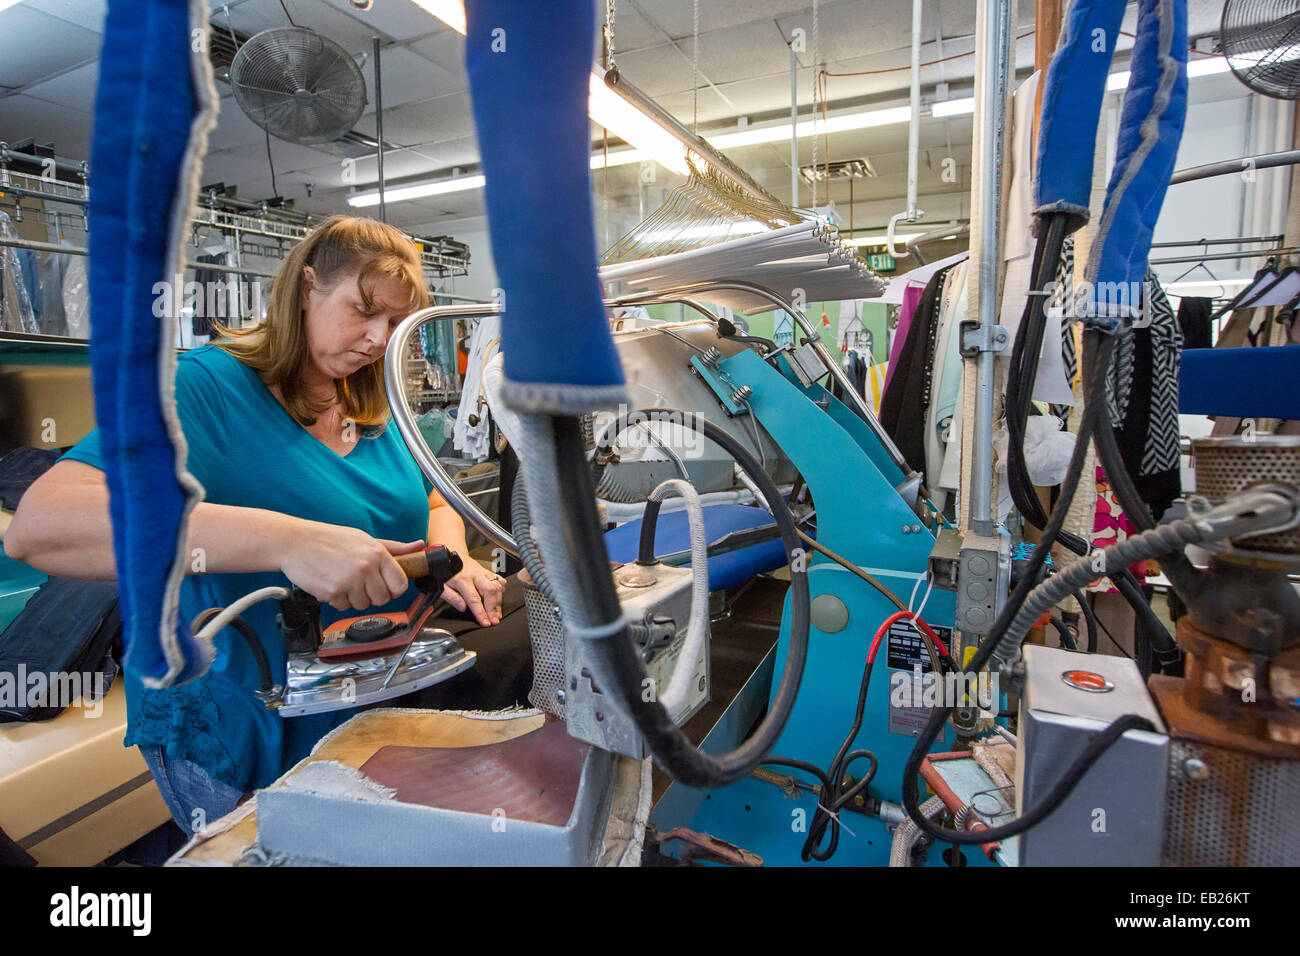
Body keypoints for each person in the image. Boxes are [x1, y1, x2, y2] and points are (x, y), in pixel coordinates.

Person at [6, 216, 517, 835]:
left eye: (393, 324)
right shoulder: (205, 389)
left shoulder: (362, 400)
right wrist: (291, 539)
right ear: (306, 288)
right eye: (363, 312)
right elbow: (42, 526)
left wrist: (451, 557)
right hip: (241, 717)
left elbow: (434, 502)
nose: (379, 339)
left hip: (365, 698)